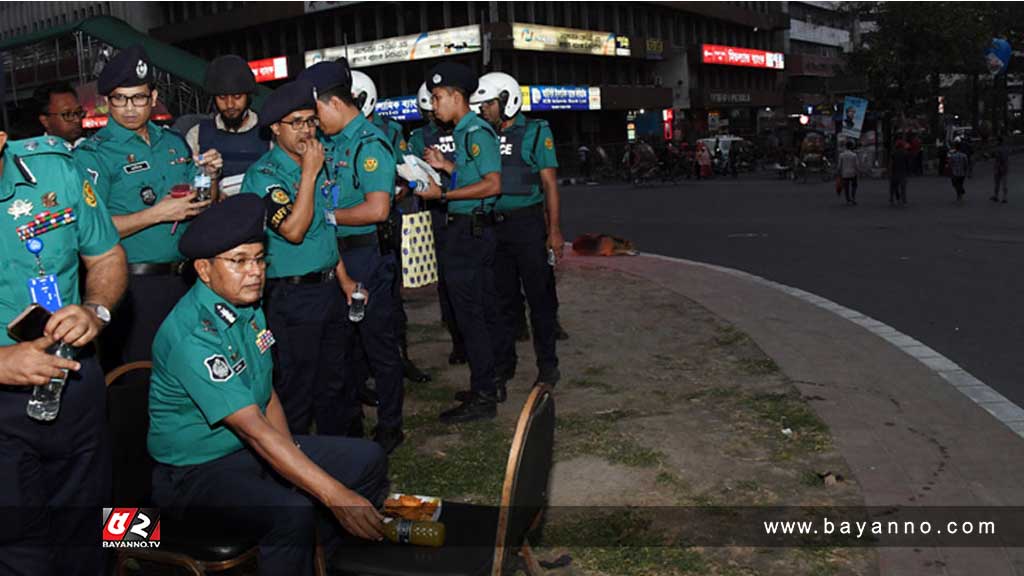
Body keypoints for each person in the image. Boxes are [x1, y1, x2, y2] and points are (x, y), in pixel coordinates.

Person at [149, 194, 388, 576]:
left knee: (367, 460)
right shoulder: (192, 335)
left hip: (245, 450)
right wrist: (332, 494)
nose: (255, 271)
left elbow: (266, 392)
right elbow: (254, 430)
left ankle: (328, 561)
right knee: (291, 512)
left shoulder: (246, 306)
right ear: (204, 270)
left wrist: (291, 461)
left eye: (259, 259)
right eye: (240, 261)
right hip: (193, 476)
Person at [0, 130, 127, 575]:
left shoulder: (55, 168)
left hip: (73, 381)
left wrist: (96, 311)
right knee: (20, 548)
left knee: (91, 531)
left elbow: (108, 256)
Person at [74, 45, 223, 371]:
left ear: (153, 97)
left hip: (185, 280)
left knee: (192, 371)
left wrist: (210, 178)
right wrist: (158, 213)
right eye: (119, 99)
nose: (129, 108)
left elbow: (201, 206)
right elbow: (86, 230)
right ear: (106, 101)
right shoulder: (94, 155)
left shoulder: (173, 143)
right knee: (140, 380)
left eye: (138, 98)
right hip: (132, 286)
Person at [299, 59, 406, 452]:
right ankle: (350, 420)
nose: (313, 123)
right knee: (341, 347)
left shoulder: (370, 143)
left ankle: (391, 424)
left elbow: (378, 209)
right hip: (334, 257)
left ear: (333, 103)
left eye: (316, 113)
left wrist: (320, 217)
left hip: (364, 257)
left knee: (378, 343)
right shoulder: (329, 143)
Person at [239, 80, 352, 438]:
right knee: (296, 388)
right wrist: (308, 173)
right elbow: (293, 230)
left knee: (335, 383)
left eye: (310, 121)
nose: (306, 130)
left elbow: (325, 228)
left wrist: (345, 280)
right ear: (275, 127)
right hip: (292, 297)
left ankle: (341, 458)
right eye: (296, 122)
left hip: (328, 289)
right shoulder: (265, 175)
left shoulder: (315, 163)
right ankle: (295, 466)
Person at [412, 62, 503, 423]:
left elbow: (493, 184)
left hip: (470, 232)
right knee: (474, 313)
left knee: (472, 316)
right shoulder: (465, 132)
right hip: (468, 230)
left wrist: (443, 195)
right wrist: (446, 165)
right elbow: (473, 175)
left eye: (437, 98)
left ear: (455, 96)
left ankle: (484, 396)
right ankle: (486, 383)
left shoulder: (475, 131)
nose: (433, 106)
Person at [469, 71, 561, 398]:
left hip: (528, 226)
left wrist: (554, 230)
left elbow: (549, 184)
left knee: (540, 300)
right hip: (495, 227)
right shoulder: (482, 134)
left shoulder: (536, 132)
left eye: (489, 104)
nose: (484, 110)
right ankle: (503, 367)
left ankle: (548, 366)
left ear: (507, 101)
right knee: (502, 302)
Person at [350, 70, 430, 384]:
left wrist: (400, 191)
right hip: (350, 231)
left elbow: (409, 171)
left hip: (385, 224)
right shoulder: (330, 133)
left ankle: (399, 358)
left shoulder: (389, 130)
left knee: (390, 300)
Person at [408, 81, 465, 365]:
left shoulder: (467, 129)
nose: (433, 112)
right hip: (437, 213)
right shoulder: (420, 137)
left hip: (465, 208)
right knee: (447, 281)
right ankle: (458, 339)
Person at [186, 55, 270, 179]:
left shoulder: (269, 133)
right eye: (222, 97)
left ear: (248, 97)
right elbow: (185, 180)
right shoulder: (197, 134)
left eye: (237, 97)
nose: (230, 105)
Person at [33, 82, 85, 147]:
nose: (77, 120)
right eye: (67, 114)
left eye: (79, 112)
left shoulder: (95, 150)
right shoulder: (39, 155)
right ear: (45, 121)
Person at [838, 140, 859, 206]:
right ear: (851, 146)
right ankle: (853, 198)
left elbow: (839, 165)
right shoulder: (854, 155)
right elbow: (856, 165)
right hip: (853, 173)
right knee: (854, 186)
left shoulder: (841, 155)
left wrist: (838, 172)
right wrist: (859, 171)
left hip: (845, 173)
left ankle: (848, 199)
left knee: (846, 187)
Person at [889, 137, 909, 206]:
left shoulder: (893, 153)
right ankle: (904, 202)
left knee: (893, 187)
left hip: (895, 172)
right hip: (903, 172)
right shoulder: (905, 153)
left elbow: (891, 163)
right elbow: (907, 163)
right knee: (903, 188)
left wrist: (890, 171)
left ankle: (892, 199)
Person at [992, 135, 1010, 204]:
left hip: (998, 167)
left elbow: (998, 158)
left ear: (998, 141)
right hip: (1005, 167)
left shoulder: (998, 149)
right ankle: (1004, 197)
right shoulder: (1006, 148)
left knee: (997, 183)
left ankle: (996, 196)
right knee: (1004, 183)